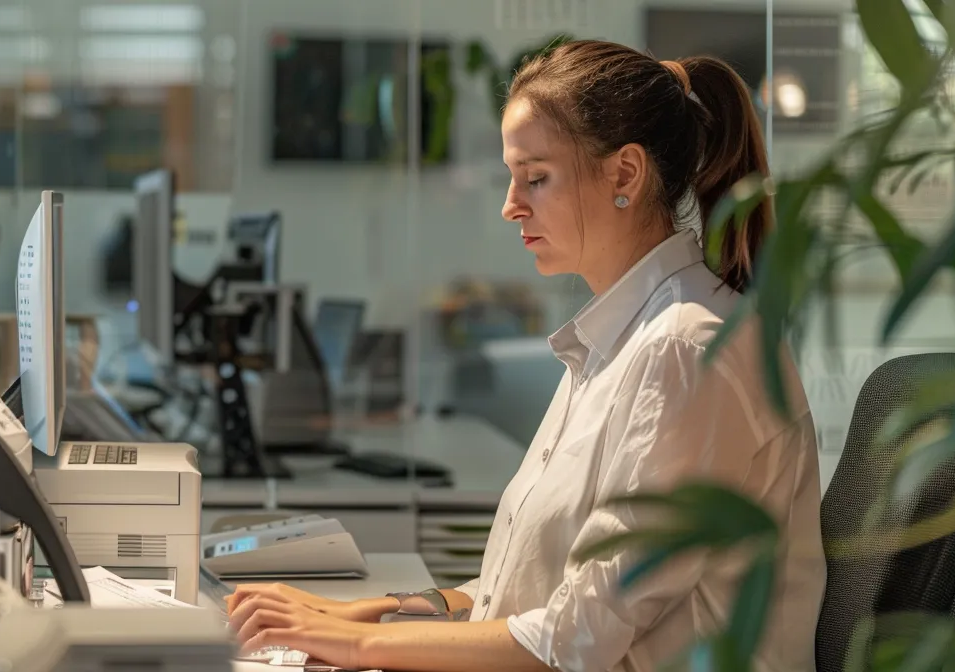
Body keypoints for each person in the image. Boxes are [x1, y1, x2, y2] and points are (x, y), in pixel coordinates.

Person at [225, 40, 826, 672]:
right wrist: (370, 611)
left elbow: (575, 638)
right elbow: (540, 593)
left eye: (536, 178)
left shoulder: (683, 350)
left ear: (625, 173)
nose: (511, 205)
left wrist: (352, 645)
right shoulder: (623, 340)